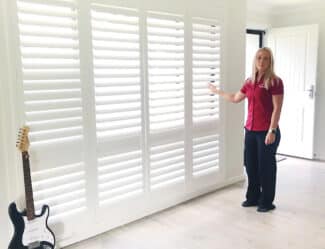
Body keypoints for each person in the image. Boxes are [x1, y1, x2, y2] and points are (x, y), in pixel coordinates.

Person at [208, 47, 284, 212]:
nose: (261, 61)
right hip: (250, 131)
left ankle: (266, 201)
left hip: (267, 132)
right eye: (259, 58)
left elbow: (277, 108)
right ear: (255, 60)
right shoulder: (250, 82)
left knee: (266, 167)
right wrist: (217, 91)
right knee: (250, 165)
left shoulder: (275, 81)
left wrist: (272, 130)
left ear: (270, 61)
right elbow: (236, 98)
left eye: (265, 58)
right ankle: (253, 197)